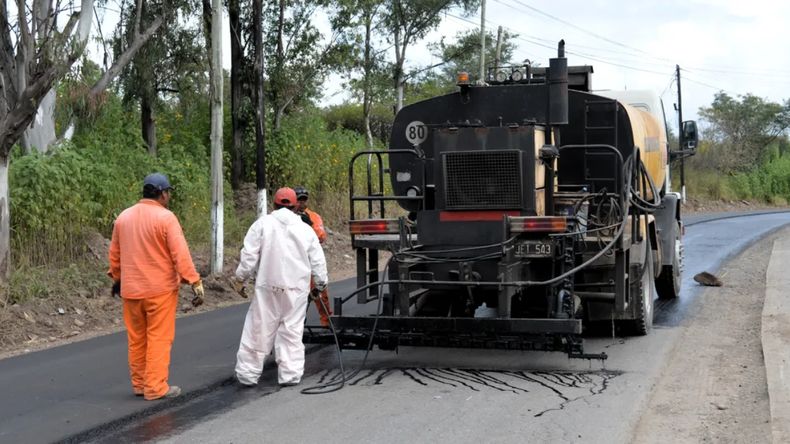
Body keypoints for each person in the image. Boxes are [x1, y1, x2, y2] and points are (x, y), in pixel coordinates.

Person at [108, 173, 204, 400]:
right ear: (162, 193)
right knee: (159, 337)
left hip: (131, 291)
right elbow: (180, 253)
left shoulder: (124, 217)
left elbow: (115, 255)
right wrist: (194, 281)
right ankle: (155, 387)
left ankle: (140, 384)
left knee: (137, 338)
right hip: (159, 291)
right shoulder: (166, 218)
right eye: (168, 192)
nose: (169, 196)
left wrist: (118, 279)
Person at [233, 187, 328, 387]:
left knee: (258, 329)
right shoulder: (305, 230)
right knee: (291, 331)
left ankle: (248, 374)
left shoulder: (261, 225)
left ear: (273, 205)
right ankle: (290, 375)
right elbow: (318, 261)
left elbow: (249, 257)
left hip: (268, 287)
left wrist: (240, 279)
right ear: (295, 207)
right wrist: (319, 285)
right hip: (296, 290)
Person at [293, 185, 332, 327]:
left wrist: (308, 226)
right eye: (298, 200)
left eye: (304, 200)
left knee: (320, 292)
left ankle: (327, 321)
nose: (301, 203)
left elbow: (320, 236)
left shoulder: (313, 217)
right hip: (293, 262)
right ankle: (296, 322)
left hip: (310, 260)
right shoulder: (287, 218)